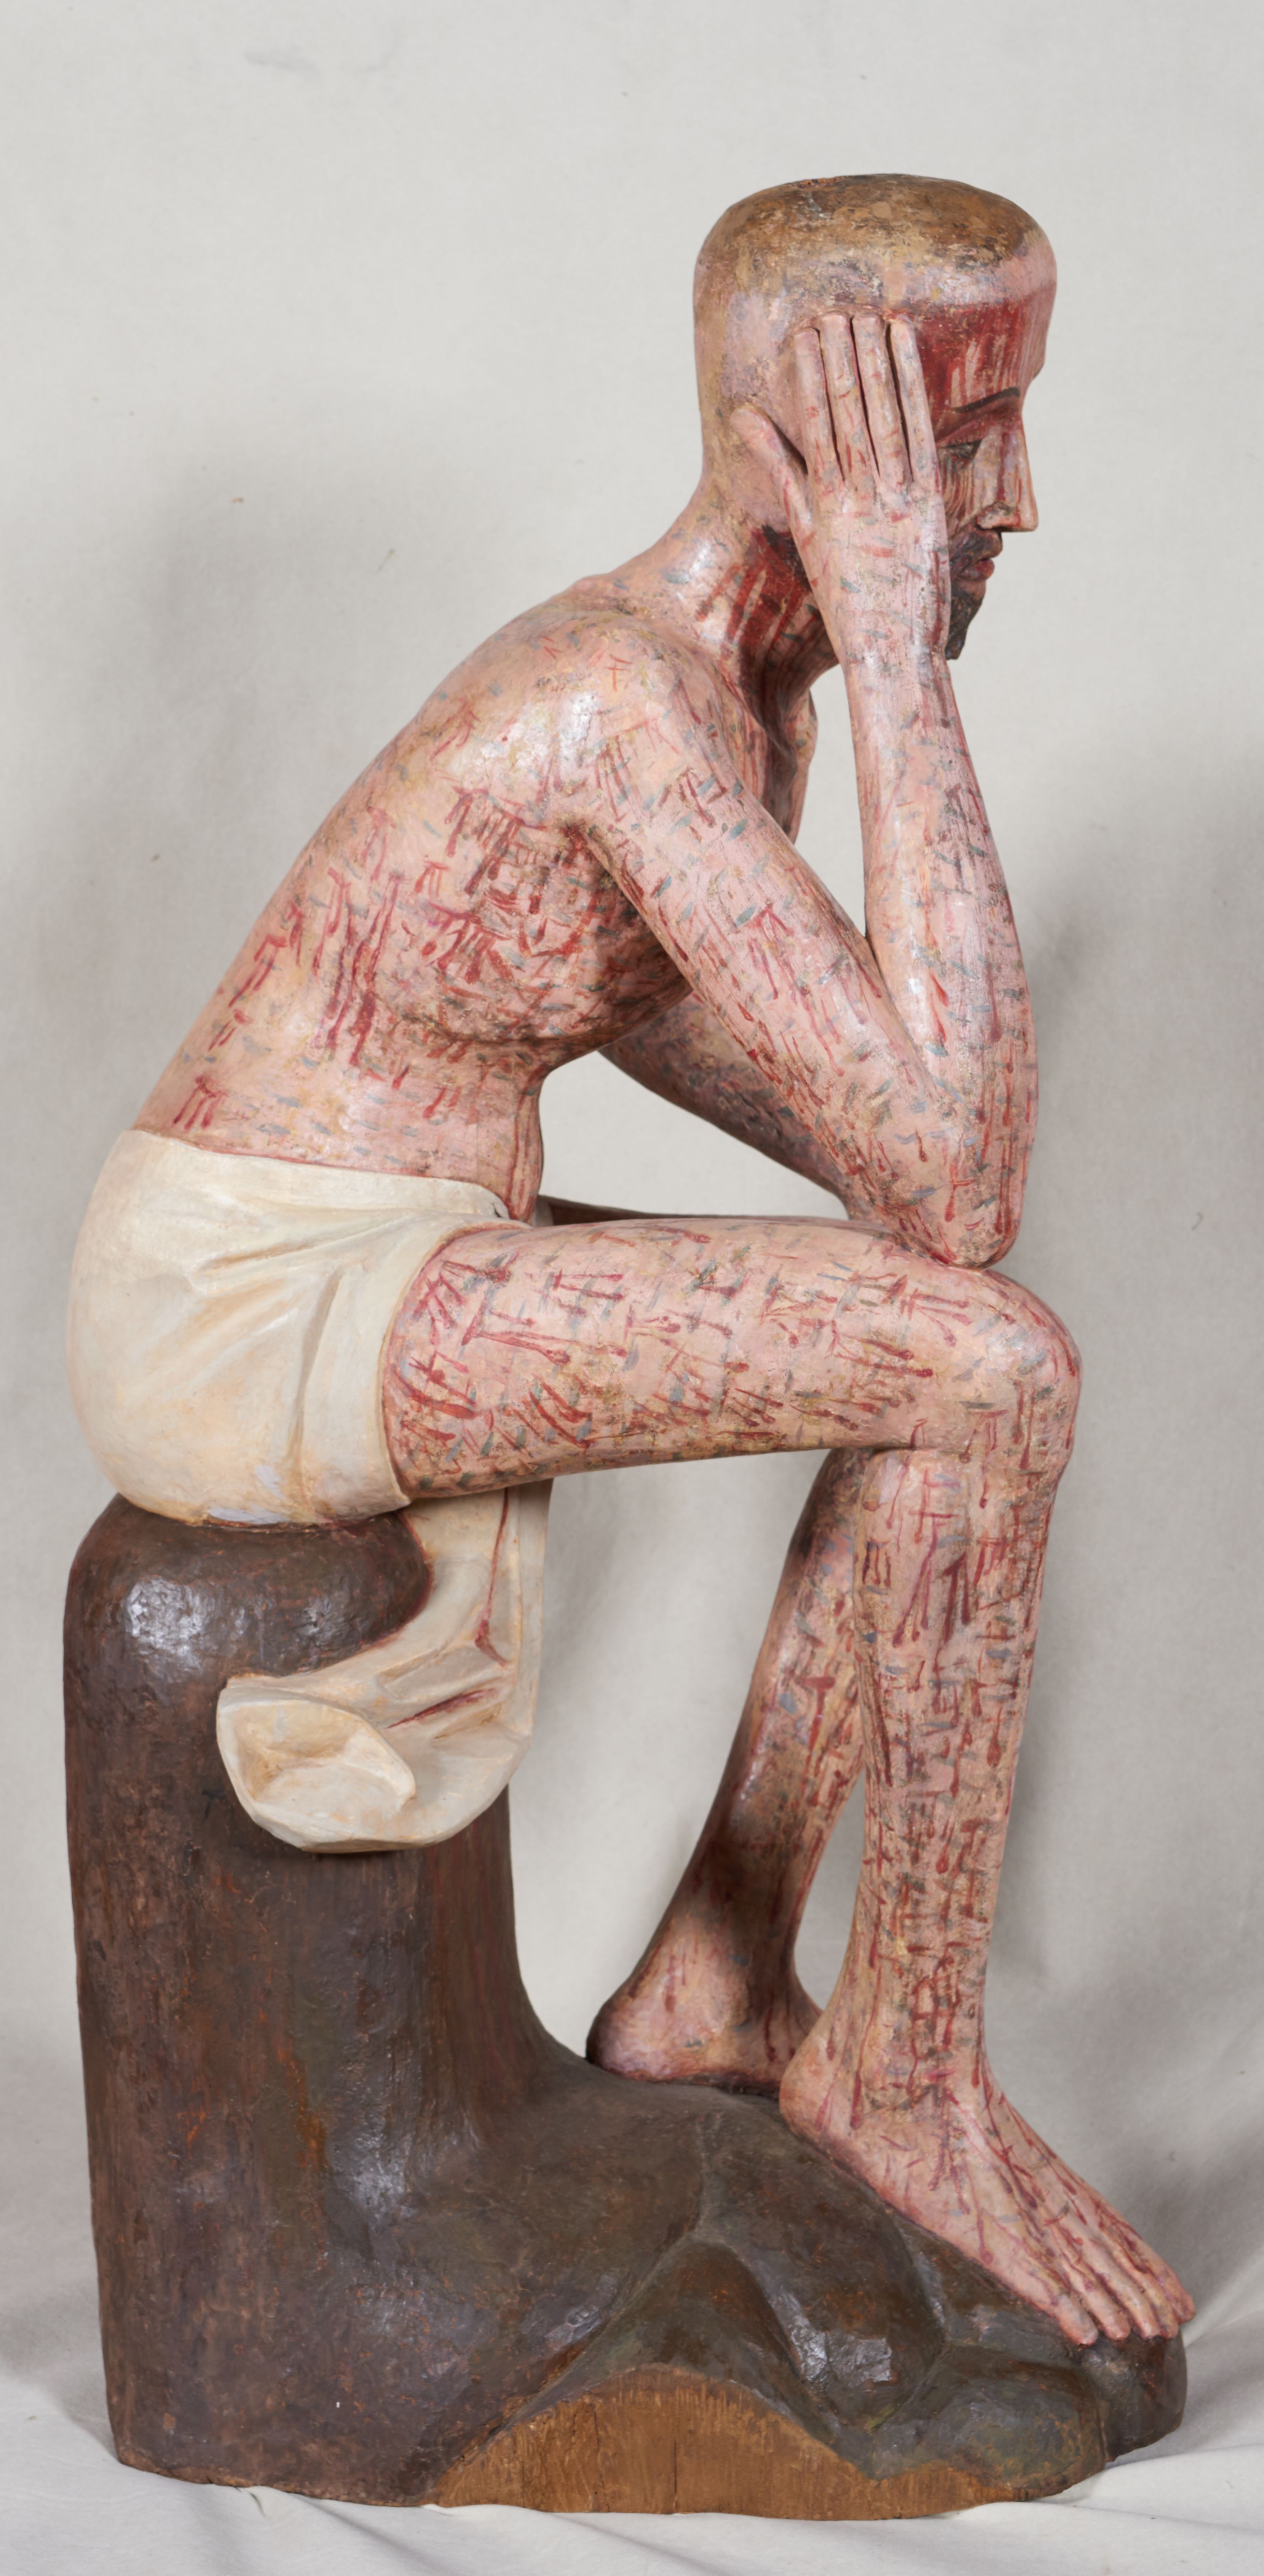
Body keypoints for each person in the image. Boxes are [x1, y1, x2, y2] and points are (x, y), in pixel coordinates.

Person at [67, 174, 1192, 2345]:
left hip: (393, 1237)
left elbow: (928, 1173)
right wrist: (899, 654)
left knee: (938, 1346)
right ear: (796, 450)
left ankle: (718, 1972)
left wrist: (860, 681)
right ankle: (905, 2072)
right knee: (989, 1367)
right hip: (243, 1295)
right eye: (963, 443)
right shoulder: (621, 706)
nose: (1016, 508)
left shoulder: (728, 711)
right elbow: (955, 1166)